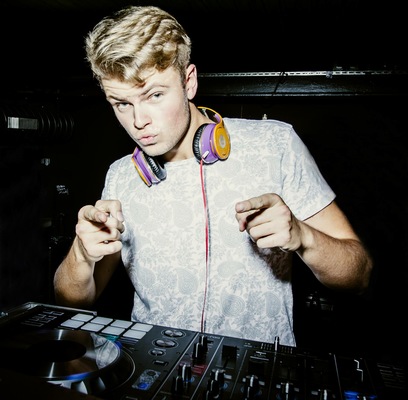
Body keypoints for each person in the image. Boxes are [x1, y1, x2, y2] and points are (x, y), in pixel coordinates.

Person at [53, 5, 372, 347]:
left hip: (256, 367)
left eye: (155, 95)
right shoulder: (121, 176)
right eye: (121, 104)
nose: (139, 121)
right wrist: (82, 253)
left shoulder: (274, 145)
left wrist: (303, 236)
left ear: (188, 81)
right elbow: (71, 300)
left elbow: (359, 276)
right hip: (153, 365)